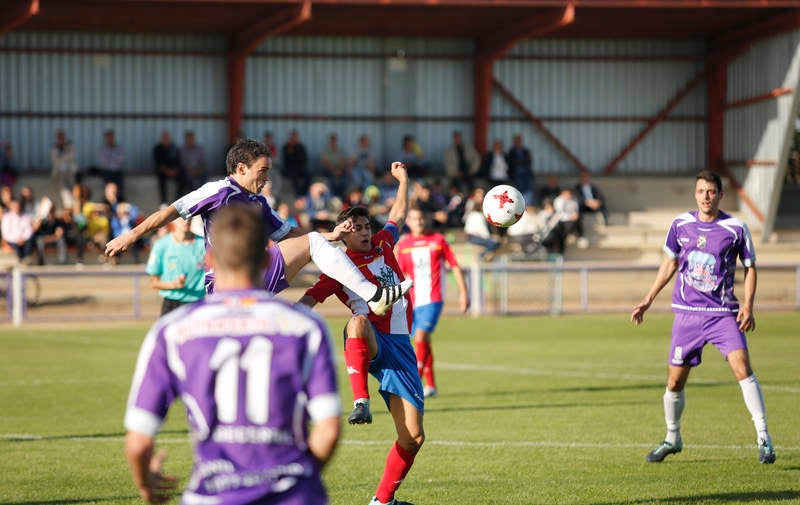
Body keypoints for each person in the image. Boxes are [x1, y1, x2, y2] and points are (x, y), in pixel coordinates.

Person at [124, 204, 341, 505]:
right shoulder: (305, 327)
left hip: (212, 496)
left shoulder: (173, 330)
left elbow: (138, 443)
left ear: (209, 259)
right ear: (267, 258)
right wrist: (297, 478)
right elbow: (329, 429)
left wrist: (147, 488)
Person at [105, 139, 410, 316]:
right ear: (241, 168)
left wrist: (332, 236)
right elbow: (173, 211)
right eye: (262, 171)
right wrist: (131, 235)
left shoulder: (259, 202)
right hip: (224, 283)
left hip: (253, 276)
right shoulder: (218, 190)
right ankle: (374, 295)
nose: (266, 177)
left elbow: (289, 235)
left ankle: (372, 296)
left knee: (315, 241)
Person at [298, 162, 423, 505]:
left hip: (400, 347)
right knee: (357, 321)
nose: (365, 232)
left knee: (413, 437)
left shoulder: (384, 244)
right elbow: (309, 298)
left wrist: (403, 181)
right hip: (370, 342)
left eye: (367, 226)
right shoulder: (340, 267)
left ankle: (382, 502)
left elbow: (398, 212)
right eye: (356, 228)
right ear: (344, 233)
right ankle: (361, 401)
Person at [631, 170, 776, 465]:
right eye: (701, 191)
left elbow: (750, 267)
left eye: (711, 191)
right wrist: (648, 298)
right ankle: (672, 438)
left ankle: (764, 438)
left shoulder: (736, 228)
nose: (706, 196)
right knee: (674, 383)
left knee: (742, 368)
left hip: (723, 314)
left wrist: (748, 305)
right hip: (687, 315)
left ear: (720, 195)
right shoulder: (680, 224)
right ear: (695, 194)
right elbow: (670, 263)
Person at [396, 206, 469, 398]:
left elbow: (454, 265)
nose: (418, 222)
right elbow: (398, 275)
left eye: (421, 218)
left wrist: (463, 292)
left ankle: (414, 385)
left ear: (426, 219)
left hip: (433, 299)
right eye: (414, 218)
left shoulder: (438, 240)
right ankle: (432, 386)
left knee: (420, 337)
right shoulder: (404, 245)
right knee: (422, 342)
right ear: (408, 222)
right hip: (412, 302)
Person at [145, 216, 205, 315]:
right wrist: (173, 284)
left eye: (189, 217)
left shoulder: (204, 243)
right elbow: (153, 282)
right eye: (181, 217)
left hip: (197, 302)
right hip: (171, 303)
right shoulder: (161, 245)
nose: (186, 220)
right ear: (172, 220)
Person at [463, 188, 501, 261]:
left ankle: (484, 256)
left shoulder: (479, 213)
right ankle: (481, 256)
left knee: (495, 242)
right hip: (474, 236)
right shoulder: (474, 211)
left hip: (477, 235)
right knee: (494, 243)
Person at [443, 130, 480, 195]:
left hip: (468, 172)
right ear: (453, 139)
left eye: (458, 138)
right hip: (455, 175)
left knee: (472, 188)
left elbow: (476, 158)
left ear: (460, 138)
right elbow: (447, 163)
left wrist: (473, 170)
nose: (457, 139)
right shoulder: (449, 150)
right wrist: (454, 172)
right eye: (455, 138)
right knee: (454, 188)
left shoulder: (468, 148)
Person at [153, 130, 185, 205]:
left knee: (183, 178)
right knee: (161, 179)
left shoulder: (173, 147)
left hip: (174, 171)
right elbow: (158, 163)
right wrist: (167, 171)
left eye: (167, 137)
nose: (166, 139)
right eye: (164, 137)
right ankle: (164, 202)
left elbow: (178, 161)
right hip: (163, 171)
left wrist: (175, 170)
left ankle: (178, 201)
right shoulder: (157, 148)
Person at [50, 129, 79, 209]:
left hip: (70, 172)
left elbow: (72, 156)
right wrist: (65, 157)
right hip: (60, 173)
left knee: (73, 189)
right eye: (59, 137)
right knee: (64, 190)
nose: (60, 139)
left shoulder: (70, 146)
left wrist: (61, 157)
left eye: (62, 137)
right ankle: (69, 206)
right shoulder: (55, 148)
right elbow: (55, 161)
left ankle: (74, 205)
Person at [95, 129, 126, 201]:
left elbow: (120, 161)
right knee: (108, 184)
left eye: (111, 137)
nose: (110, 139)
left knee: (119, 185)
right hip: (107, 171)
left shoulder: (119, 148)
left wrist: (111, 161)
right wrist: (112, 161)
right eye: (108, 137)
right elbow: (104, 162)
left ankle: (119, 199)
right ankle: (107, 199)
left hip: (117, 171)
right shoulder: (103, 148)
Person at [507, 133, 535, 207]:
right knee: (518, 191)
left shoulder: (525, 151)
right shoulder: (511, 151)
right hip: (516, 174)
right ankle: (519, 205)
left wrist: (520, 162)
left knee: (528, 190)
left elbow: (528, 161)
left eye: (519, 140)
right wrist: (521, 162)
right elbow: (512, 163)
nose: (518, 142)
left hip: (526, 174)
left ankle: (527, 205)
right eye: (516, 140)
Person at [282, 130, 310, 199]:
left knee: (308, 175)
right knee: (293, 177)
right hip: (290, 169)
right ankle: (297, 195)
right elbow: (286, 161)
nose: (293, 139)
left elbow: (304, 159)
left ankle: (304, 193)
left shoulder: (301, 147)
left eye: (295, 137)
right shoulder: (286, 147)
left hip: (300, 168)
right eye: (292, 137)